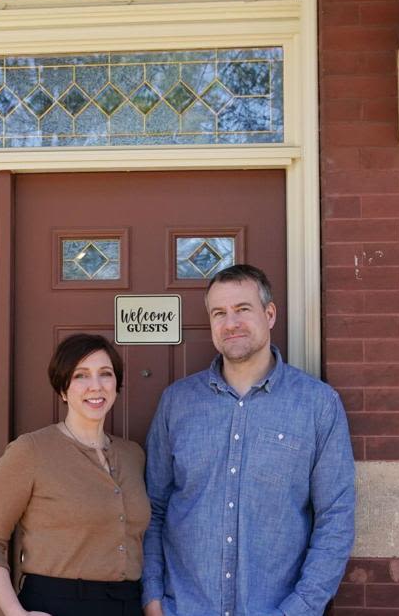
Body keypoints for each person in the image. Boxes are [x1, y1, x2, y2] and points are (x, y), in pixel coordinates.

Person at [142, 264, 355, 616]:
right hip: (183, 608)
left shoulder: (317, 404)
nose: (231, 323)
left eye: (243, 309)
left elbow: (336, 516)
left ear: (269, 314)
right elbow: (153, 507)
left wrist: (300, 609)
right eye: (219, 313)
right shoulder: (177, 403)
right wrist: (152, 598)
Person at [0, 333, 150, 616]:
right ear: (63, 389)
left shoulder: (133, 455)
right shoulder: (30, 451)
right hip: (57, 604)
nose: (95, 386)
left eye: (105, 374)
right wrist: (15, 613)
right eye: (81, 376)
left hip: (128, 604)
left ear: (116, 385)